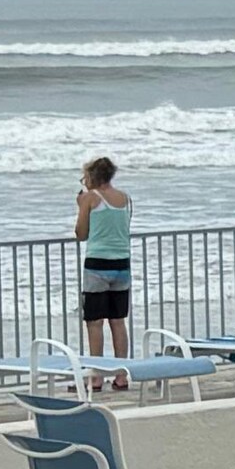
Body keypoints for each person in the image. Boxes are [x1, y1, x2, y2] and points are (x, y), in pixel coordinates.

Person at [71, 156, 137, 388]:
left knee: (94, 322)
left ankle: (96, 375)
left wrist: (80, 206)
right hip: (122, 263)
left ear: (93, 177)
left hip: (97, 264)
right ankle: (121, 375)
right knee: (118, 321)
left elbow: (81, 233)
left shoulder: (90, 198)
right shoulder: (125, 198)